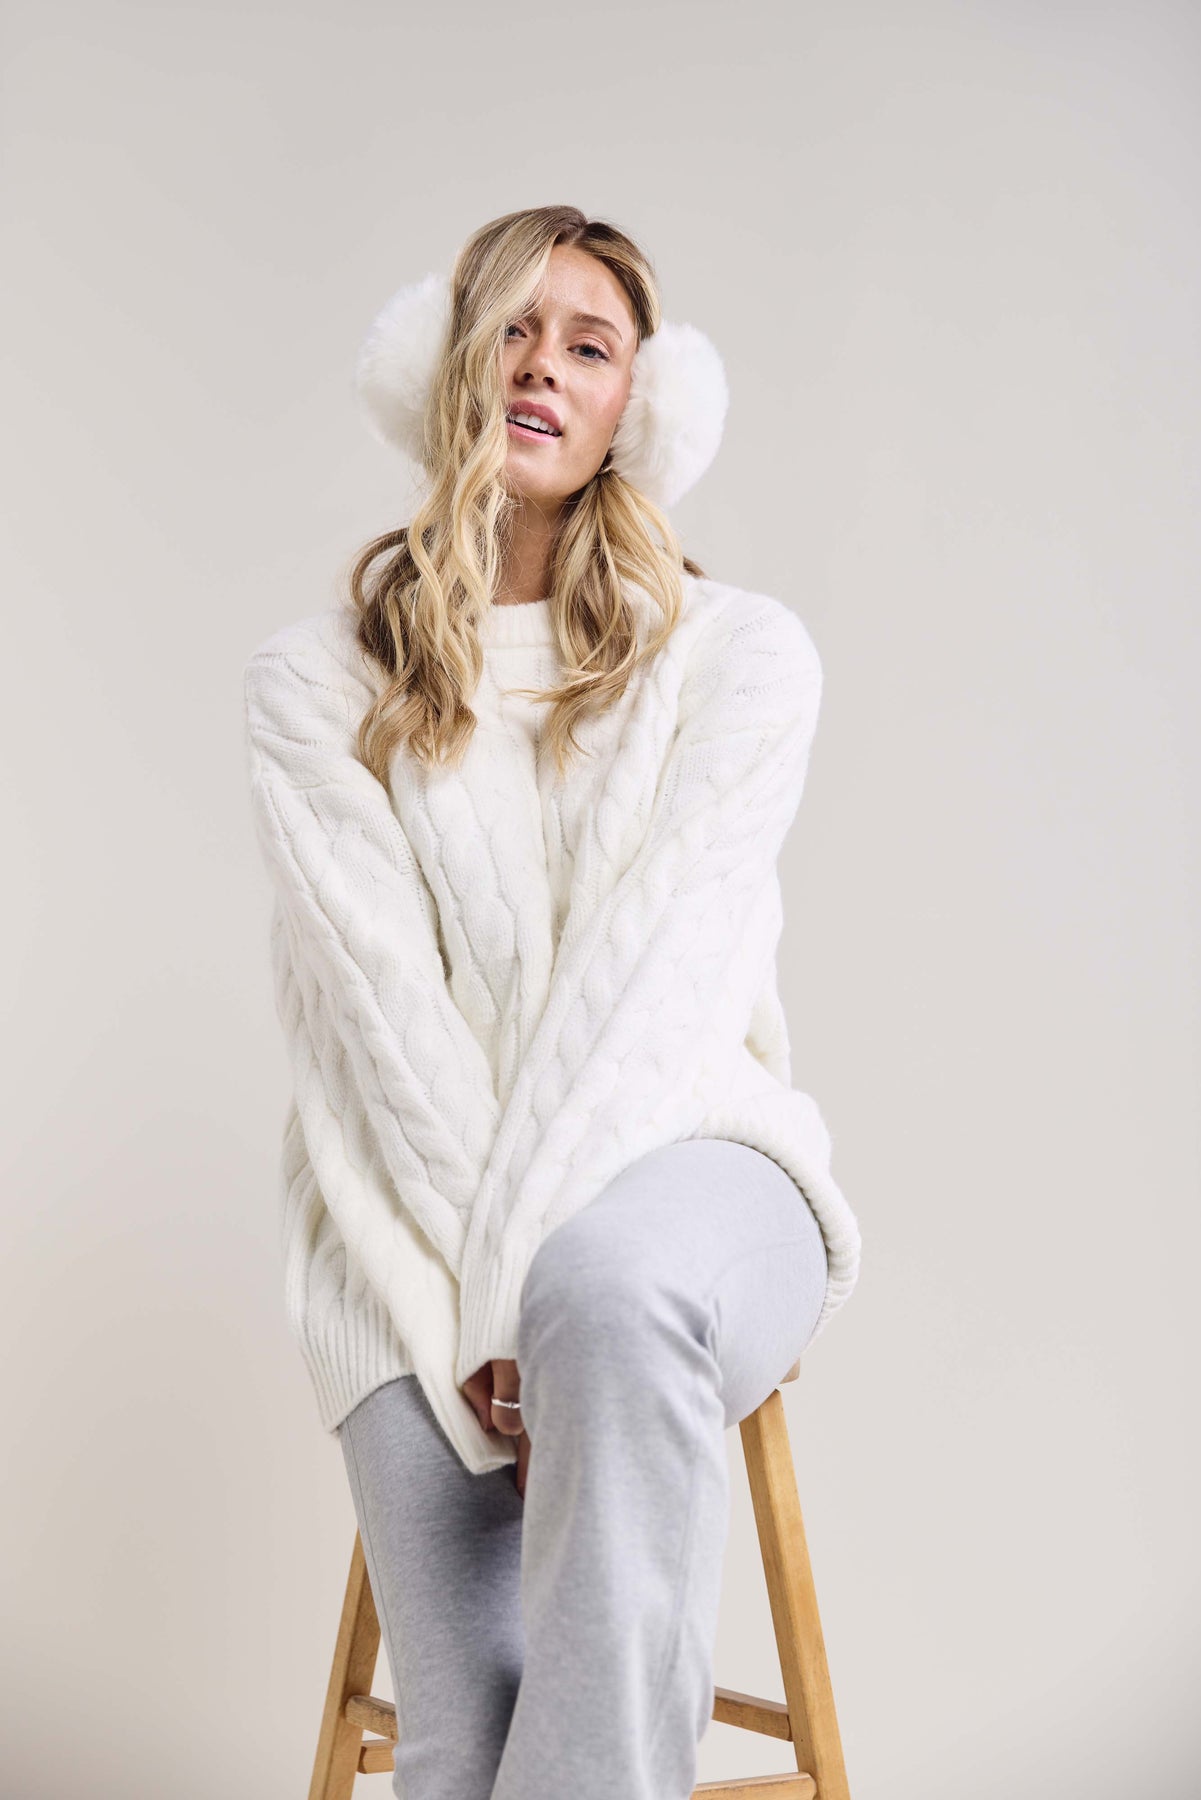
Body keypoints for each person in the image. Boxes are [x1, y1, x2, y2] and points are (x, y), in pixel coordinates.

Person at [242, 203, 861, 1800]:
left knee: (605, 1283)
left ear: (635, 405)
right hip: (404, 1222)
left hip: (695, 1167)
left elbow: (653, 992)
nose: (541, 365)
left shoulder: (737, 658)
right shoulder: (314, 686)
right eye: (510, 327)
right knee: (474, 1732)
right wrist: (482, 1303)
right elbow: (382, 1029)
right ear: (444, 366)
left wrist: (527, 1290)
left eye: (587, 345)